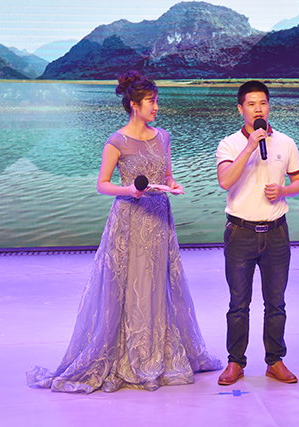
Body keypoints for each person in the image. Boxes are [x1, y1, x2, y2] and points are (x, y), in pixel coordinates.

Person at [26, 70, 221, 393]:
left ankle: (157, 351)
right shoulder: (116, 141)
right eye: (151, 101)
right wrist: (129, 190)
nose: (156, 107)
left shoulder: (163, 137)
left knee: (159, 284)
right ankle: (133, 355)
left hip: (159, 219)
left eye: (156, 101)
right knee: (131, 286)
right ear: (134, 105)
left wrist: (172, 185)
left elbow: (167, 175)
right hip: (130, 218)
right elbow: (103, 184)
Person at [215, 80, 299, 385]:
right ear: (240, 109)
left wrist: (283, 190)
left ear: (269, 107)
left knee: (276, 303)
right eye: (251, 104)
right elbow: (225, 181)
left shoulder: (286, 142)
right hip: (240, 233)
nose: (258, 109)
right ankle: (235, 362)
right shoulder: (229, 144)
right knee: (238, 304)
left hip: (277, 233)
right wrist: (250, 146)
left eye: (263, 103)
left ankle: (275, 361)